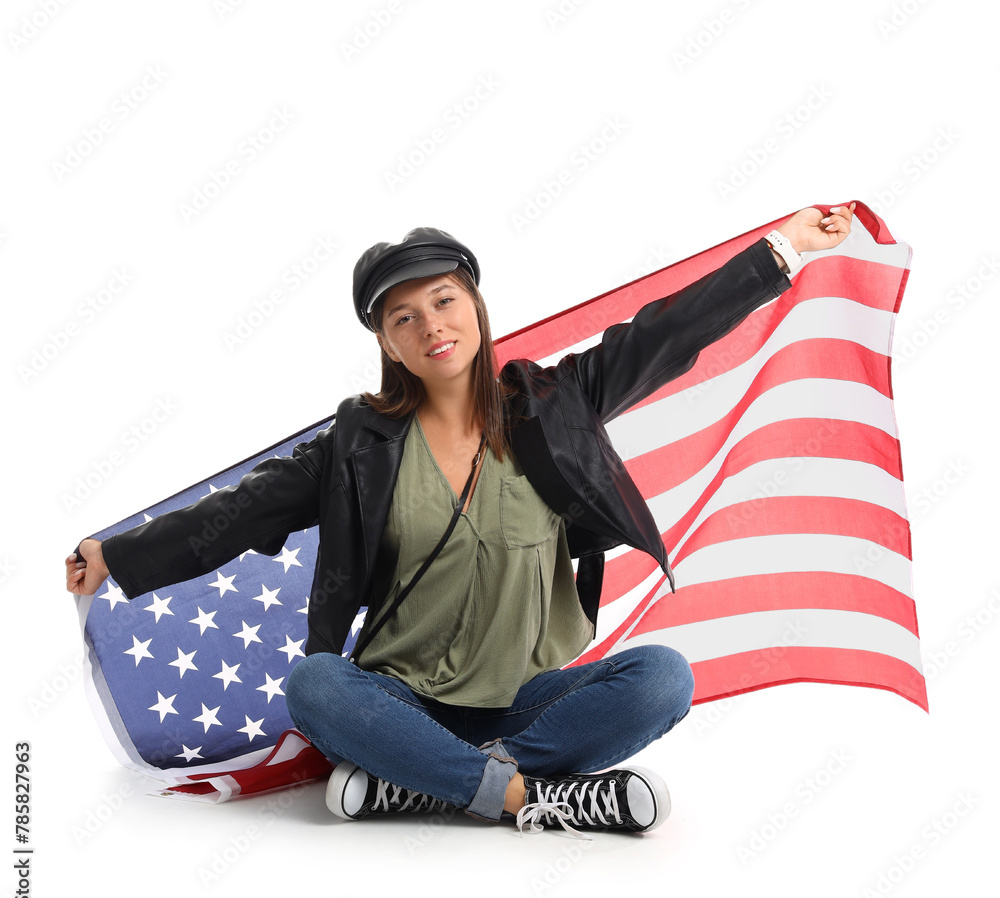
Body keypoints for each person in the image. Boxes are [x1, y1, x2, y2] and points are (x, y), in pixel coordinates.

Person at [66, 203, 857, 837]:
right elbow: (238, 514)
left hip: (528, 701)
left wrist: (782, 249)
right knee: (315, 683)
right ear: (387, 342)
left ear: (474, 306)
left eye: (443, 300)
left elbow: (663, 334)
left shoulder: (555, 405)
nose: (430, 324)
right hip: (398, 698)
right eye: (403, 317)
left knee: (663, 678)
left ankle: (428, 784)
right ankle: (528, 797)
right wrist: (119, 556)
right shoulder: (357, 442)